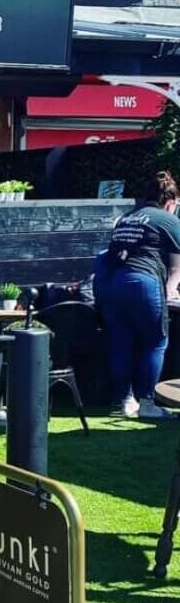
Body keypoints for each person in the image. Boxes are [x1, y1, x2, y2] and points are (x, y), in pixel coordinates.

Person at [95, 171, 180, 418]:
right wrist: (170, 291)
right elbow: (177, 268)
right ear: (170, 202)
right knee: (156, 342)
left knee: (121, 342)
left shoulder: (127, 218)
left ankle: (123, 402)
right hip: (142, 282)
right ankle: (147, 404)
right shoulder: (168, 220)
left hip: (111, 283)